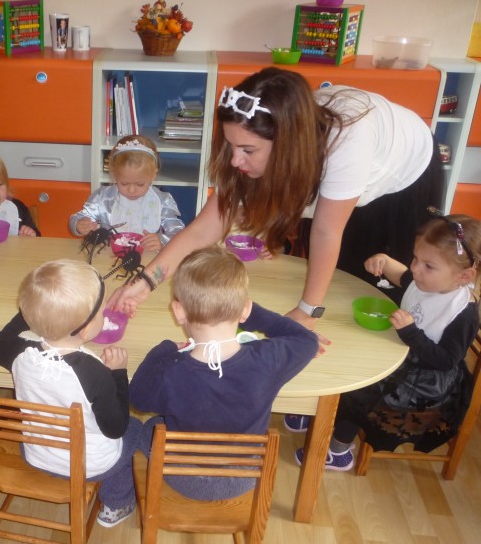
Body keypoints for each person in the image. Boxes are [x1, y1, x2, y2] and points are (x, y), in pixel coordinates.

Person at [110, 68, 443, 329]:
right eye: (231, 145)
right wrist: (143, 284)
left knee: (383, 286)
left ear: (287, 147)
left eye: (247, 150)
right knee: (338, 278)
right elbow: (203, 230)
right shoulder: (261, 144)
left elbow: (327, 232)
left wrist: (307, 311)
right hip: (337, 168)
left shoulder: (347, 145)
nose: (235, 160)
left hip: (403, 182)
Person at [291, 211, 481, 471]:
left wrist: (411, 333)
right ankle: (316, 410)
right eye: (415, 258)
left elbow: (446, 360)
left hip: (424, 381)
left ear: (464, 276)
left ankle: (338, 450)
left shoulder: (462, 313)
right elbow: (402, 276)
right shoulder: (426, 280)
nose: (415, 268)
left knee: (361, 389)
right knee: (344, 353)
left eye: (428, 266)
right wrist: (384, 260)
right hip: (404, 351)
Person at [129, 246, 318, 499]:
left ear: (178, 311)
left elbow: (137, 399)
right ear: (245, 310)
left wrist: (162, 349)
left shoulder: (170, 372)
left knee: (148, 426)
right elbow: (307, 340)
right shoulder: (268, 360)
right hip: (244, 477)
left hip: (184, 478)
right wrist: (251, 314)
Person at [0, 259, 144, 527]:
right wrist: (118, 373)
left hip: (37, 454)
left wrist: (38, 311)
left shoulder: (20, 354)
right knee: (136, 430)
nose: (105, 313)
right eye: (101, 312)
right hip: (89, 466)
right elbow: (115, 428)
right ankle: (116, 503)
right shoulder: (95, 372)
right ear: (86, 330)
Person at [69, 135, 185, 253]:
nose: (131, 190)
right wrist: (79, 225)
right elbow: (78, 217)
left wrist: (162, 240)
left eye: (140, 184)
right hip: (108, 255)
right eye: (124, 183)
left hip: (148, 256)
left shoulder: (162, 201)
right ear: (114, 175)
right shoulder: (103, 198)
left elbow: (178, 231)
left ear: (153, 175)